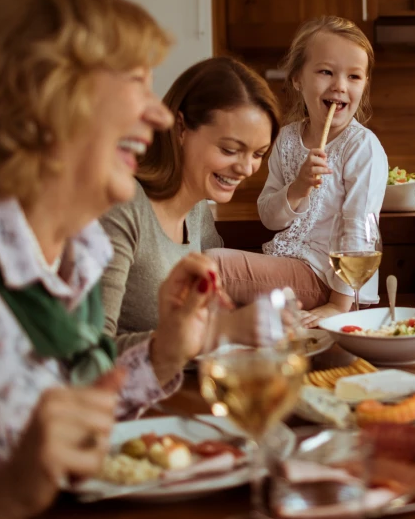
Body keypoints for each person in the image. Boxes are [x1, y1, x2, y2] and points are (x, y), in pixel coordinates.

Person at [0, 0, 225, 518]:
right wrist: (2, 496)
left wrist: (164, 353)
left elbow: (72, 411)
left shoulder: (76, 253)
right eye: (135, 82)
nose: (161, 115)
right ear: (43, 93)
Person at [100, 56, 281, 352]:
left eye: (258, 154)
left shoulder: (197, 210)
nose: (247, 168)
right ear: (181, 128)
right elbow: (90, 358)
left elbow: (214, 310)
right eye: (230, 149)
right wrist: (214, 332)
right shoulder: (124, 206)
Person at [247, 16, 388, 326]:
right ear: (297, 78)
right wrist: (297, 188)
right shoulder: (285, 139)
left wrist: (339, 306)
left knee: (216, 266)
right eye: (326, 72)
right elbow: (270, 218)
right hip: (289, 268)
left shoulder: (362, 147)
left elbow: (359, 230)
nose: (340, 85)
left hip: (329, 282)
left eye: (354, 77)